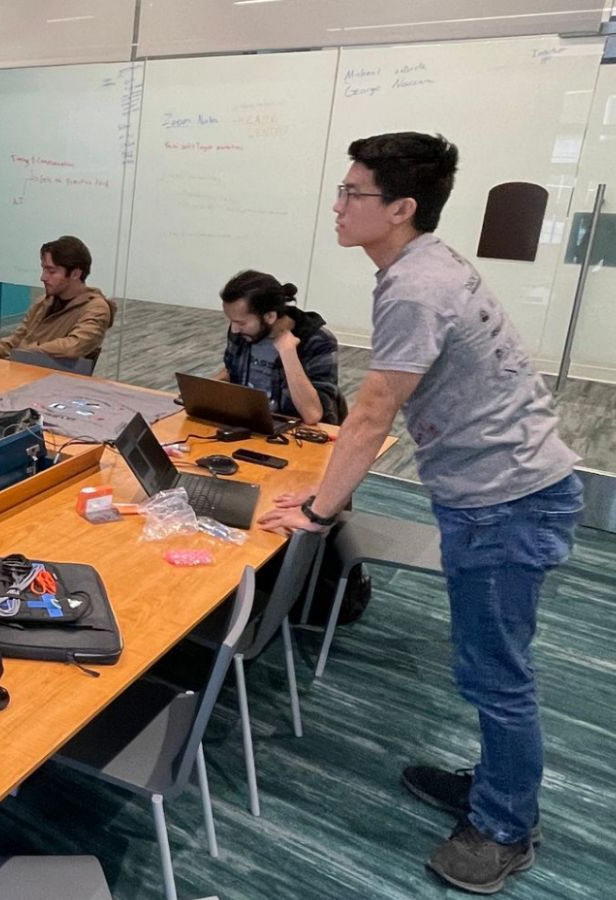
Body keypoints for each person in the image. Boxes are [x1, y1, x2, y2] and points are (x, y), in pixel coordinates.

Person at [260, 132, 582, 894]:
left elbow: (372, 415)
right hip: (504, 491)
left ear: (401, 208)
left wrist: (317, 508)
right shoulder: (422, 265)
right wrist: (322, 495)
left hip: (507, 501)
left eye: (353, 194)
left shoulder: (414, 285)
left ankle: (505, 827)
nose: (337, 206)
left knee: (496, 676)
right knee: (489, 668)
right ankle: (494, 785)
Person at [0, 235, 115, 364]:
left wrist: (24, 352)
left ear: (76, 274)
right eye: (44, 269)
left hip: (51, 385)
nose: (43, 277)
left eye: (51, 271)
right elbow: (16, 340)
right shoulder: (44, 302)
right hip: (24, 372)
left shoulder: (96, 308)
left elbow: (73, 346)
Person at [217, 269, 344, 425]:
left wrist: (288, 354)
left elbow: (313, 415)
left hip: (298, 434)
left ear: (270, 316)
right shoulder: (243, 333)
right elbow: (232, 371)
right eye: (232, 321)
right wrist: (204, 390)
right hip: (250, 424)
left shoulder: (318, 341)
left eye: (241, 323)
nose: (234, 329)